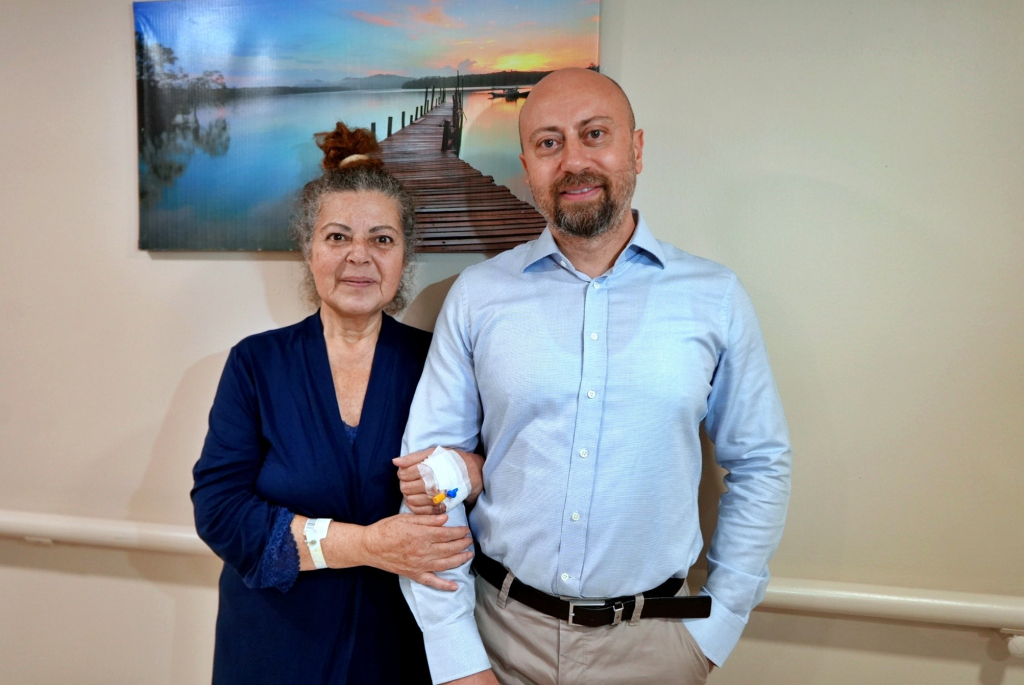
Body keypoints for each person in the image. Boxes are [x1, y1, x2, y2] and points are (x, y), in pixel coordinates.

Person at [397, 68, 793, 685]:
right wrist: (456, 656)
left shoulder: (714, 298)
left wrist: (716, 627)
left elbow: (761, 463)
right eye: (549, 143)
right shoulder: (477, 296)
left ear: (636, 148)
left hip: (655, 649)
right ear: (527, 167)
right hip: (498, 639)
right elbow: (429, 478)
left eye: (595, 134)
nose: (574, 161)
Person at [191, 122, 480, 685]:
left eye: (382, 239)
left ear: (404, 255)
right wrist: (367, 544)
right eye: (338, 237)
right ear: (309, 250)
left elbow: (495, 473)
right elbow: (219, 511)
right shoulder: (256, 364)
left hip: (398, 651)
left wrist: (471, 470)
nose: (359, 257)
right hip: (273, 650)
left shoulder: (439, 362)